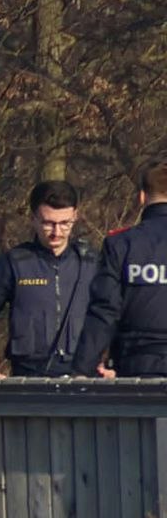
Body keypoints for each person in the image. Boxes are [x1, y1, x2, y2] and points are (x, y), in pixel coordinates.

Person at [0, 179, 103, 375]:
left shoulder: (92, 264)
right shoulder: (14, 263)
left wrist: (111, 362)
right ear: (33, 218)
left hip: (82, 376)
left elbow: (115, 317)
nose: (57, 232)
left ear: (75, 216)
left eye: (65, 223)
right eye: (48, 223)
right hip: (29, 377)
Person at [86, 162, 167, 379]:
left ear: (142, 197)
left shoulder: (120, 244)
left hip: (135, 364)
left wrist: (82, 367)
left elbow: (104, 309)